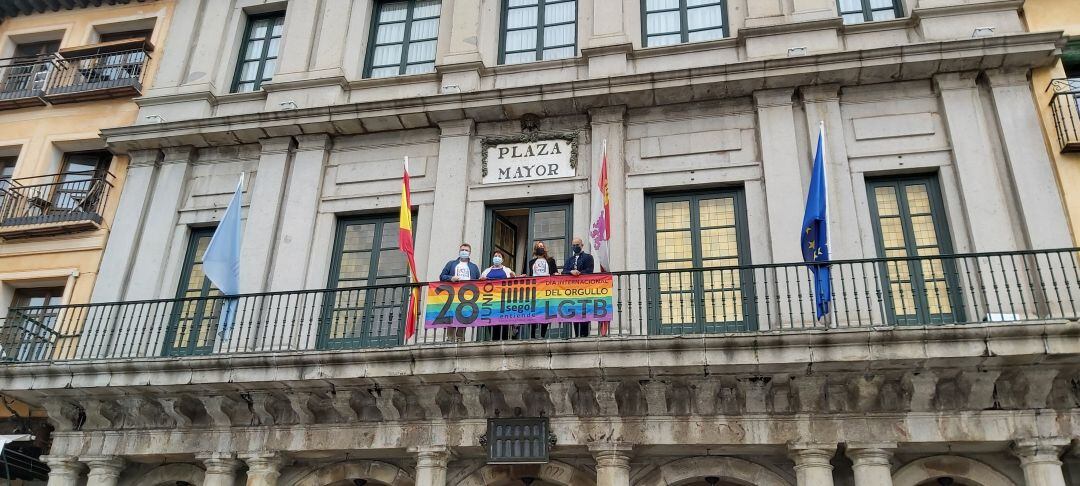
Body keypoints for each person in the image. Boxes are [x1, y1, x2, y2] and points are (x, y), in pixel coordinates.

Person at [439, 243, 480, 342]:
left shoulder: (474, 267)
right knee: (451, 313)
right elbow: (442, 276)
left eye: (466, 250)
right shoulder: (451, 264)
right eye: (462, 250)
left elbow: (478, 280)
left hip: (467, 295)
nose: (464, 252)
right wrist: (451, 278)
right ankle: (450, 337)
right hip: (453, 294)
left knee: (464, 314)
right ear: (459, 251)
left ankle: (460, 338)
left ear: (470, 253)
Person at [480, 250, 517, 341]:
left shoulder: (507, 270)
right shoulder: (487, 271)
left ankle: (504, 339)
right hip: (490, 301)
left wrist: (514, 277)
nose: (497, 258)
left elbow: (514, 281)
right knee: (492, 320)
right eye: (495, 256)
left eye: (499, 256)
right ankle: (493, 339)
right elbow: (480, 282)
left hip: (503, 300)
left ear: (502, 259)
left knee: (503, 321)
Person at [562, 237, 594, 338]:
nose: (575, 247)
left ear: (582, 245)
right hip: (572, 291)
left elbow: (589, 270)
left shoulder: (588, 257)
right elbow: (564, 272)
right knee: (575, 312)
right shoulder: (569, 260)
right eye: (574, 245)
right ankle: (577, 335)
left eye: (577, 245)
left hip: (584, 290)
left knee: (584, 312)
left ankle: (585, 335)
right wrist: (571, 272)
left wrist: (579, 273)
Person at [526, 241, 558, 339]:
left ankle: (543, 335)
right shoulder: (531, 262)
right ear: (536, 249)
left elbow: (555, 272)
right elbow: (531, 275)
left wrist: (556, 274)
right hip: (535, 291)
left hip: (546, 290)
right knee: (533, 312)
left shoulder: (550, 261)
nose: (541, 248)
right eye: (539, 247)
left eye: (542, 246)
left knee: (546, 312)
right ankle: (532, 336)